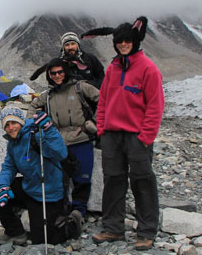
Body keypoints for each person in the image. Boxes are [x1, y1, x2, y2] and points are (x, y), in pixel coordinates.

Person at [81, 16, 164, 251]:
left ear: (135, 41)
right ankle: (113, 228)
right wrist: (103, 129)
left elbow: (155, 106)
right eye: (119, 41)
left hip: (137, 137)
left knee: (142, 182)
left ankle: (146, 232)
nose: (123, 44)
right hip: (112, 137)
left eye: (127, 40)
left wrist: (146, 137)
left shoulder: (148, 69)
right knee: (113, 182)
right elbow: (104, 99)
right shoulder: (114, 68)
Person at [0, 105, 82, 245]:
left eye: (14, 123)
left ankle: (72, 225)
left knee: (41, 241)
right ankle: (15, 232)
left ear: (21, 121)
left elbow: (60, 152)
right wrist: (3, 186)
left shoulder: (37, 134)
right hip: (29, 187)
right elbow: (9, 167)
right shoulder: (13, 143)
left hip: (47, 193)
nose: (11, 128)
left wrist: (49, 129)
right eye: (7, 125)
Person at [27, 58, 99, 218]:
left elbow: (104, 100)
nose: (57, 75)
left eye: (60, 72)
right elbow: (32, 106)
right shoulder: (47, 95)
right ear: (49, 75)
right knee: (60, 178)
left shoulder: (81, 88)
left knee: (82, 177)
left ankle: (79, 211)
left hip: (81, 139)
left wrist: (94, 121)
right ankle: (64, 210)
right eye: (53, 73)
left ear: (66, 72)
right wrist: (32, 125)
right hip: (58, 141)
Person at [30, 32, 105, 89]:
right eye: (67, 45)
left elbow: (102, 78)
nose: (70, 47)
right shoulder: (60, 62)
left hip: (92, 97)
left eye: (73, 44)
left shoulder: (90, 58)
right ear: (63, 47)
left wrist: (89, 86)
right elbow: (54, 82)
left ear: (78, 45)